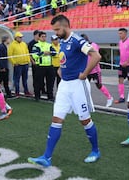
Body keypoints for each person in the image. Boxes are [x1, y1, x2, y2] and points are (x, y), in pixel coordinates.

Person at [28, 14, 101, 167]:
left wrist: (85, 73)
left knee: (85, 120)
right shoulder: (62, 40)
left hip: (78, 85)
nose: (55, 33)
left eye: (57, 29)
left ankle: (95, 150)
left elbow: (96, 56)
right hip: (64, 85)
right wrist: (61, 69)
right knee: (56, 119)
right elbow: (65, 57)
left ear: (65, 26)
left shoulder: (77, 40)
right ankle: (46, 157)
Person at [81, 33, 114, 107]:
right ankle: (86, 101)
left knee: (99, 85)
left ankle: (109, 97)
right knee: (85, 86)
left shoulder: (93, 45)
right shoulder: (81, 47)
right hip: (87, 70)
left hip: (95, 71)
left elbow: (96, 56)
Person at [31, 31, 56, 101]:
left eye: (45, 36)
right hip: (40, 66)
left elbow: (54, 53)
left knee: (50, 82)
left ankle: (50, 97)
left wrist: (50, 52)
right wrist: (43, 53)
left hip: (49, 66)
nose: (44, 38)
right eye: (42, 36)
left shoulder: (49, 45)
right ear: (39, 37)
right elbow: (34, 55)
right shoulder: (36, 45)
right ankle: (37, 96)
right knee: (38, 82)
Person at [8, 32, 32, 97]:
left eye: (21, 37)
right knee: (17, 79)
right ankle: (17, 92)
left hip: (25, 64)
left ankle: (26, 91)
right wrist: (14, 63)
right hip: (18, 65)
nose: (21, 38)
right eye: (20, 37)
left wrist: (28, 61)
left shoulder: (24, 44)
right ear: (16, 38)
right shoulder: (12, 45)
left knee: (25, 79)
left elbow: (27, 52)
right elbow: (10, 55)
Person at [116, 28, 129, 104]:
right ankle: (122, 97)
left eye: (121, 33)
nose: (119, 35)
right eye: (119, 33)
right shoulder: (120, 42)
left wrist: (127, 61)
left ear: (125, 33)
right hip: (121, 65)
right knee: (120, 80)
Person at [28, 30, 43, 95]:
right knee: (36, 78)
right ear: (35, 35)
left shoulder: (40, 42)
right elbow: (29, 54)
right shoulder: (31, 43)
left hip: (41, 63)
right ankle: (36, 90)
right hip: (35, 63)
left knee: (41, 77)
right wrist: (32, 61)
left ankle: (42, 89)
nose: (39, 36)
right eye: (38, 35)